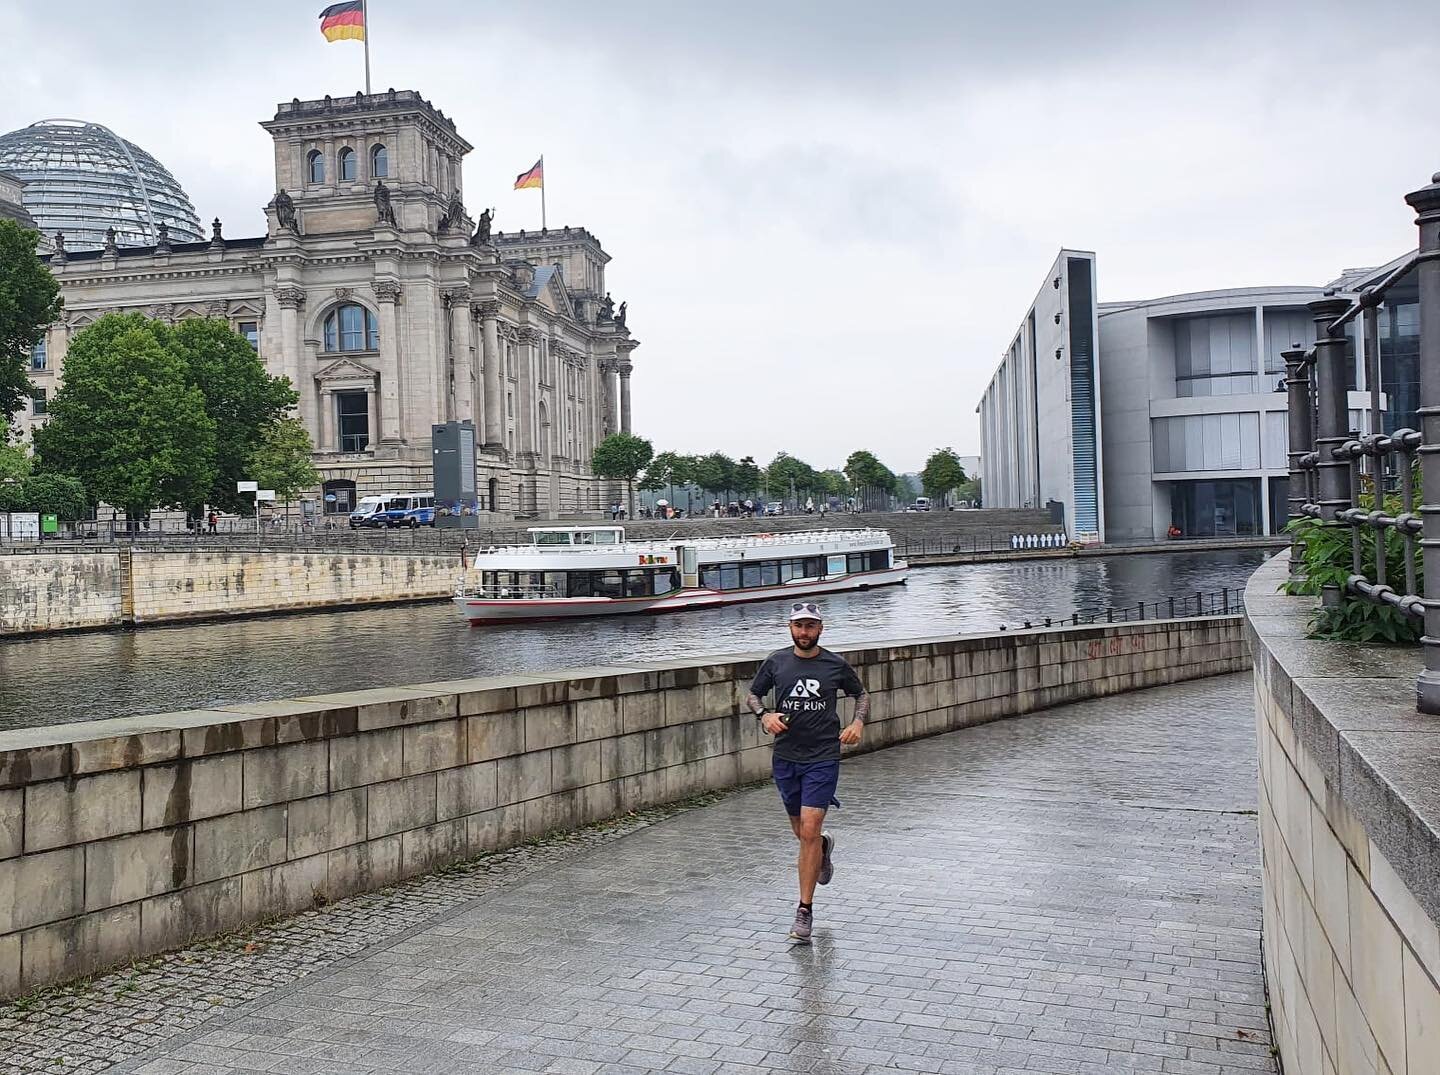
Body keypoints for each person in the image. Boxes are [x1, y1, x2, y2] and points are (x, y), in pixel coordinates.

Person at [746, 601, 868, 942]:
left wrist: (857, 722)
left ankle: (804, 911)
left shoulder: (834, 664)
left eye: (810, 626)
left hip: (823, 756)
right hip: (786, 757)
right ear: (790, 628)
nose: (804, 632)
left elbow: (860, 694)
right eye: (799, 626)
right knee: (803, 834)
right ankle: (823, 849)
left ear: (820, 629)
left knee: (810, 828)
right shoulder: (776, 661)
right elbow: (753, 695)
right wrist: (764, 715)